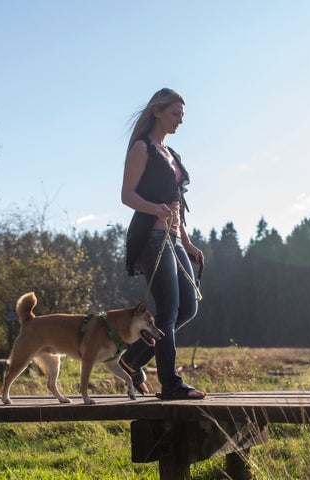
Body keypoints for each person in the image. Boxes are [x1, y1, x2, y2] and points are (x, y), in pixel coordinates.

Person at [118, 88, 206, 400]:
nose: (180, 120)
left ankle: (132, 358)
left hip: (174, 239)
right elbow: (127, 195)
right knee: (168, 309)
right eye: (175, 114)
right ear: (157, 112)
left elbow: (177, 204)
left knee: (189, 307)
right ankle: (170, 385)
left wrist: (188, 242)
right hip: (153, 239)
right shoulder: (142, 148)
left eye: (182, 116)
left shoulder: (172, 154)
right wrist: (155, 209)